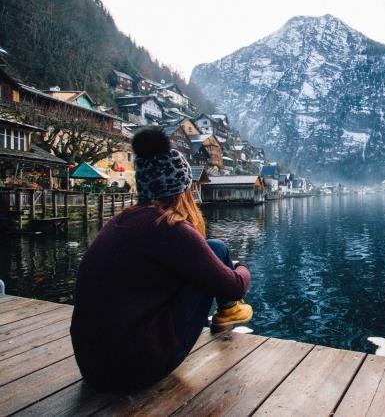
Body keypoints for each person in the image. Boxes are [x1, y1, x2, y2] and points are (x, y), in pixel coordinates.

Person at [70, 127, 252, 392]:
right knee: (213, 263)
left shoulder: (120, 221)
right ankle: (229, 311)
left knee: (212, 248)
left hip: (91, 365)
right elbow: (235, 285)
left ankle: (228, 310)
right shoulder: (170, 228)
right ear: (182, 189)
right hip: (134, 369)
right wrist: (242, 268)